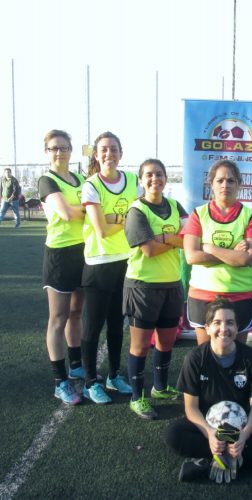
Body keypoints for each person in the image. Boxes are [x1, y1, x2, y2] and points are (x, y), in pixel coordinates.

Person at [165, 297, 252, 482]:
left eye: (230, 323)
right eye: (217, 323)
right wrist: (209, 434)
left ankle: (213, 459)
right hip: (209, 427)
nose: (224, 329)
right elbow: (191, 408)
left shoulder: (250, 357)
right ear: (207, 328)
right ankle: (247, 457)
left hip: (243, 426)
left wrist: (244, 436)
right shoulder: (195, 358)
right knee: (172, 435)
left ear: (237, 328)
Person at [123, 159, 188, 419]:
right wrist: (175, 240)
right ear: (141, 180)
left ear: (165, 178)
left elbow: (190, 238)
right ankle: (136, 397)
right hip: (143, 286)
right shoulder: (136, 210)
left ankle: (160, 387)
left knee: (167, 341)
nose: (154, 179)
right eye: (149, 175)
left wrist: (162, 238)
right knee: (140, 346)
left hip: (172, 283)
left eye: (159, 174)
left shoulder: (175, 206)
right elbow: (148, 250)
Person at [80, 131, 142, 404]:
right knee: (92, 326)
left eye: (114, 149)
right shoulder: (91, 185)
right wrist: (125, 216)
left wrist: (115, 216)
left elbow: (141, 218)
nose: (109, 154)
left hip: (126, 262)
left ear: (121, 153)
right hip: (99, 263)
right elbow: (102, 230)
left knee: (118, 324)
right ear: (96, 154)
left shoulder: (132, 181)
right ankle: (90, 381)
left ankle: (114, 375)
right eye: (104, 149)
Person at [182, 159, 252, 345]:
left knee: (238, 356)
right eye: (219, 180)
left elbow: (247, 259)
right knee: (205, 356)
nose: (225, 185)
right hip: (203, 295)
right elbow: (191, 256)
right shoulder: (198, 214)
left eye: (231, 180)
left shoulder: (250, 216)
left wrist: (209, 247)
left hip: (239, 295)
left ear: (239, 184)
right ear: (211, 184)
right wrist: (232, 253)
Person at [38, 130, 86, 405]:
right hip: (59, 255)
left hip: (83, 252)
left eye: (64, 147)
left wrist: (88, 208)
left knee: (76, 312)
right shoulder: (47, 180)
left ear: (71, 150)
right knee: (58, 318)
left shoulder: (78, 179)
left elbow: (80, 207)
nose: (60, 152)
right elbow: (66, 213)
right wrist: (91, 210)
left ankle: (76, 363)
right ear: (46, 151)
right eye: (54, 148)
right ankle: (60, 381)